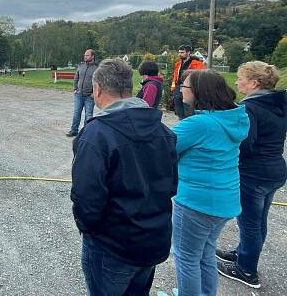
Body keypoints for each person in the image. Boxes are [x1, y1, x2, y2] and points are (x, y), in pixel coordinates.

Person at [71, 59, 178, 295]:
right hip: (153, 241)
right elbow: (171, 185)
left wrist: (88, 230)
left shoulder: (96, 134)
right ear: (129, 88)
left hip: (113, 246)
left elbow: (86, 197)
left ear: (97, 89)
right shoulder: (163, 131)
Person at [171, 71, 249, 296]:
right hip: (226, 200)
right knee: (205, 252)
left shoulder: (199, 124)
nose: (180, 90)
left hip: (197, 201)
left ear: (197, 92)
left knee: (186, 257)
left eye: (184, 86)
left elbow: (161, 148)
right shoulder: (234, 118)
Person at [216, 61, 286, 289]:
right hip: (274, 168)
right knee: (259, 219)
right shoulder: (277, 104)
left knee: (249, 222)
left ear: (254, 83)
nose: (237, 82)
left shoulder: (251, 108)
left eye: (241, 79)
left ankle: (246, 269)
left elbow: (245, 144)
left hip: (254, 173)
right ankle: (243, 253)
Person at [67, 49, 98, 137]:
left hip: (90, 96)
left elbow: (99, 82)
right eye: (84, 55)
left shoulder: (97, 68)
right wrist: (75, 89)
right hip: (79, 94)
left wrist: (94, 93)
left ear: (92, 56)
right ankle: (74, 130)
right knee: (76, 113)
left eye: (87, 55)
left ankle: (86, 133)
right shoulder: (80, 66)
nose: (85, 57)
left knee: (88, 115)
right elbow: (76, 78)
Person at [170, 45, 206, 119]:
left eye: (182, 52)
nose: (180, 54)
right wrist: (173, 89)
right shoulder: (178, 64)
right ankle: (182, 122)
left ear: (188, 53)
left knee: (189, 109)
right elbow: (175, 77)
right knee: (179, 109)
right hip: (178, 88)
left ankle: (190, 124)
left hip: (190, 88)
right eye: (179, 52)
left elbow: (202, 77)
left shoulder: (197, 64)